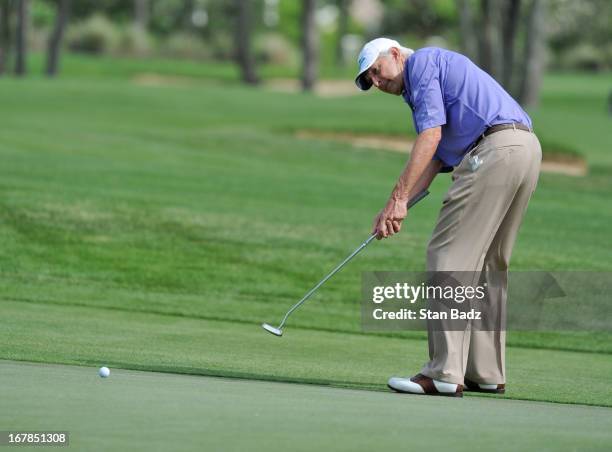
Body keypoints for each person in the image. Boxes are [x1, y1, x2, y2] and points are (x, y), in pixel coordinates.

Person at [355, 38, 541, 397]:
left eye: (376, 72)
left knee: (447, 256)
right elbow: (437, 157)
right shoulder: (426, 81)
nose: (377, 83)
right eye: (370, 82)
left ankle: (443, 372)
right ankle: (485, 372)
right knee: (488, 263)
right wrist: (398, 205)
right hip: (525, 149)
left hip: (494, 151)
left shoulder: (422, 63)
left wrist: (397, 199)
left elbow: (430, 135)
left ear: (395, 54)